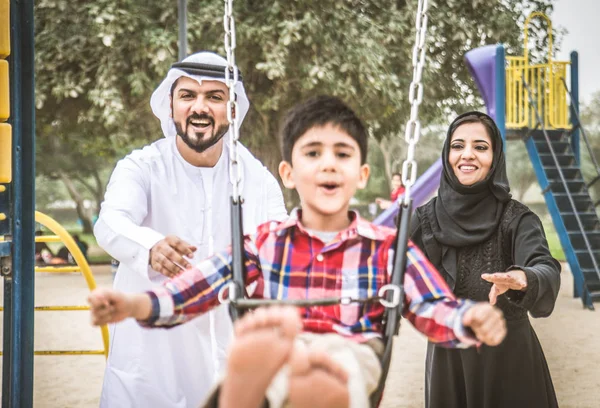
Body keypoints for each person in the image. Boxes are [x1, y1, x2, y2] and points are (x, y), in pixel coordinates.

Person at [89, 96, 507, 408]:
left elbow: (432, 304)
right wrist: (136, 302)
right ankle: (246, 387)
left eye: (341, 154)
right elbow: (196, 286)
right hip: (282, 352)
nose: (328, 165)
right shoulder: (266, 242)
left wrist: (467, 319)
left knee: (331, 370)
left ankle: (274, 385)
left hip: (348, 353)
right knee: (277, 355)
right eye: (313, 153)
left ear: (361, 174)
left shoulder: (386, 250)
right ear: (288, 173)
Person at [93, 51, 287, 408]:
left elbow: (279, 254)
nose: (200, 107)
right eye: (188, 96)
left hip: (230, 357)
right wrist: (149, 247)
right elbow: (111, 221)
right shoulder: (142, 167)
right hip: (150, 361)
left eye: (214, 97)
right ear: (171, 105)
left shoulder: (258, 179)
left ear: (232, 109)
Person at [410, 111, 561, 408]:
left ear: (495, 157)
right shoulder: (424, 219)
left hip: (508, 361)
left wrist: (524, 277)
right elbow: (391, 271)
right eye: (457, 146)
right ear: (447, 154)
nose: (467, 155)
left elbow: (546, 265)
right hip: (448, 360)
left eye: (480, 147)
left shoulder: (517, 218)